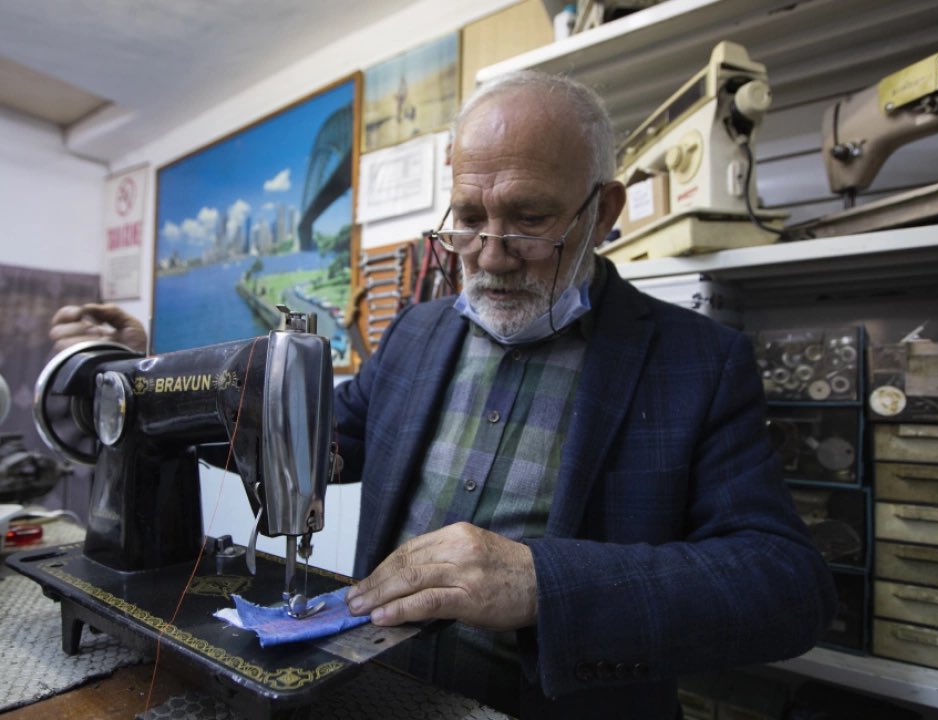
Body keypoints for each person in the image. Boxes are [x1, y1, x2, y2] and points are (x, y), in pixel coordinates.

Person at [51, 71, 835, 720]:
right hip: (373, 697)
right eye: (466, 218)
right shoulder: (419, 333)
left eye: (529, 219)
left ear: (603, 212)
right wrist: (150, 372)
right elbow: (327, 445)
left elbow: (785, 589)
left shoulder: (698, 361)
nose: (490, 256)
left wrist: (544, 583)